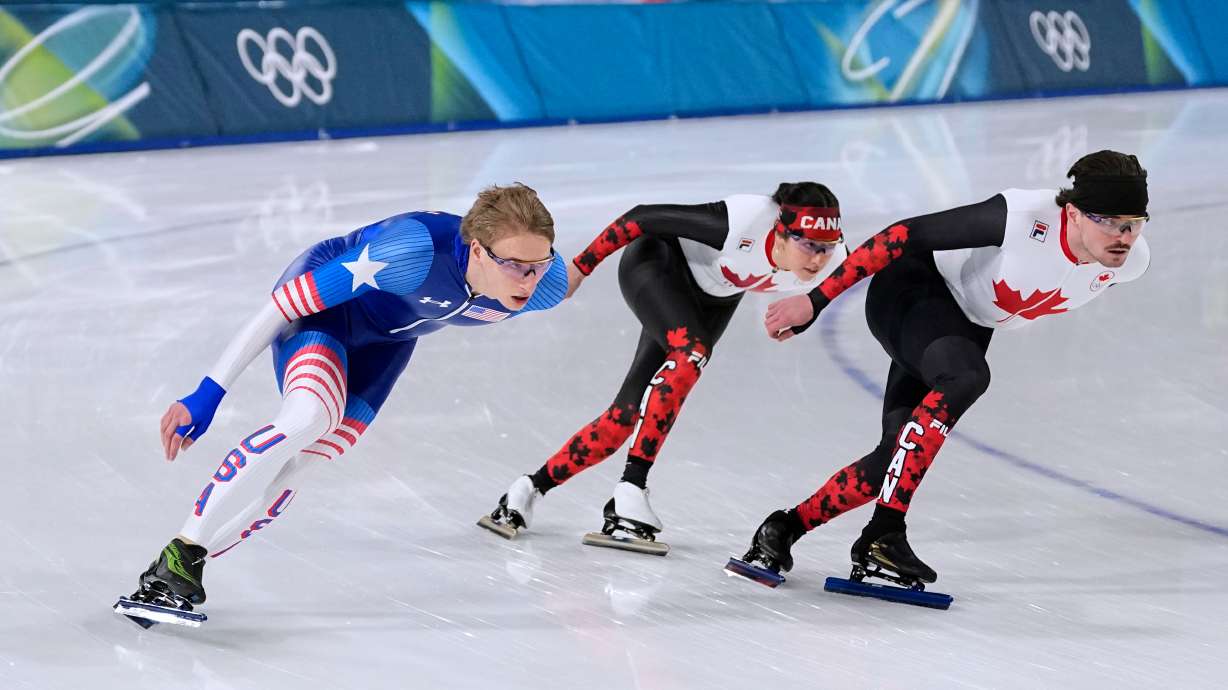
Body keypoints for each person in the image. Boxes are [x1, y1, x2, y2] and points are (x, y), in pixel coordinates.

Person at [116, 183, 576, 625]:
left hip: (389, 343)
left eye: (540, 264)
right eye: (517, 266)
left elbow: (566, 276)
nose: (531, 280)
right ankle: (185, 544)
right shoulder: (413, 252)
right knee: (311, 416)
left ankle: (178, 568)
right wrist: (209, 393)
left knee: (309, 462)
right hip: (327, 312)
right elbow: (283, 306)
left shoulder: (546, 285)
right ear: (477, 250)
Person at [733, 150, 1152, 589]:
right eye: (1108, 220)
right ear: (1073, 213)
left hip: (964, 323)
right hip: (913, 288)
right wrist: (815, 300)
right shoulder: (1024, 217)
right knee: (967, 377)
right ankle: (885, 532)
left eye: (1135, 223)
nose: (1123, 236)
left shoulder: (1131, 262)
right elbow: (903, 235)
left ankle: (783, 528)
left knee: (894, 460)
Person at [480, 182, 848, 553]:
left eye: (825, 248)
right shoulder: (742, 221)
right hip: (657, 264)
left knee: (626, 416)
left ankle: (527, 490)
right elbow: (641, 218)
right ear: (780, 234)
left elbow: (856, 274)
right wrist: (580, 268)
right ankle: (631, 488)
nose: (817, 259)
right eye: (808, 245)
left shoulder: (835, 259)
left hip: (715, 297)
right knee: (691, 353)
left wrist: (808, 311)